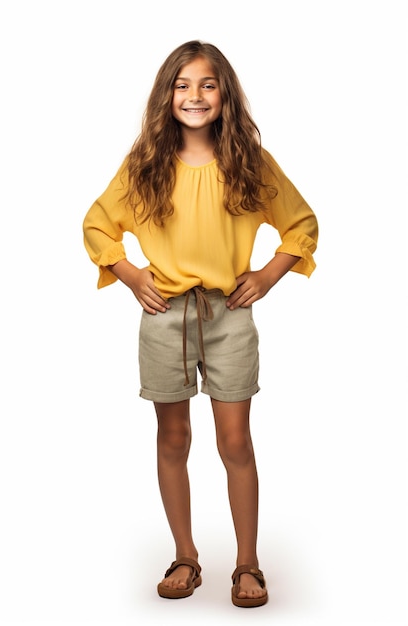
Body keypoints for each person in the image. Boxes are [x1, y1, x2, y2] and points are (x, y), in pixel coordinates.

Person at [83, 40, 318, 608]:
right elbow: (97, 224)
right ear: (167, 96)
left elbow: (301, 223)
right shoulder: (146, 162)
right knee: (173, 436)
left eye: (207, 84)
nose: (195, 95)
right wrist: (133, 275)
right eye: (183, 85)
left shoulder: (248, 161)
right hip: (165, 317)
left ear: (224, 94)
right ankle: (185, 557)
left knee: (235, 440)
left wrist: (264, 276)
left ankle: (247, 564)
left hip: (228, 315)